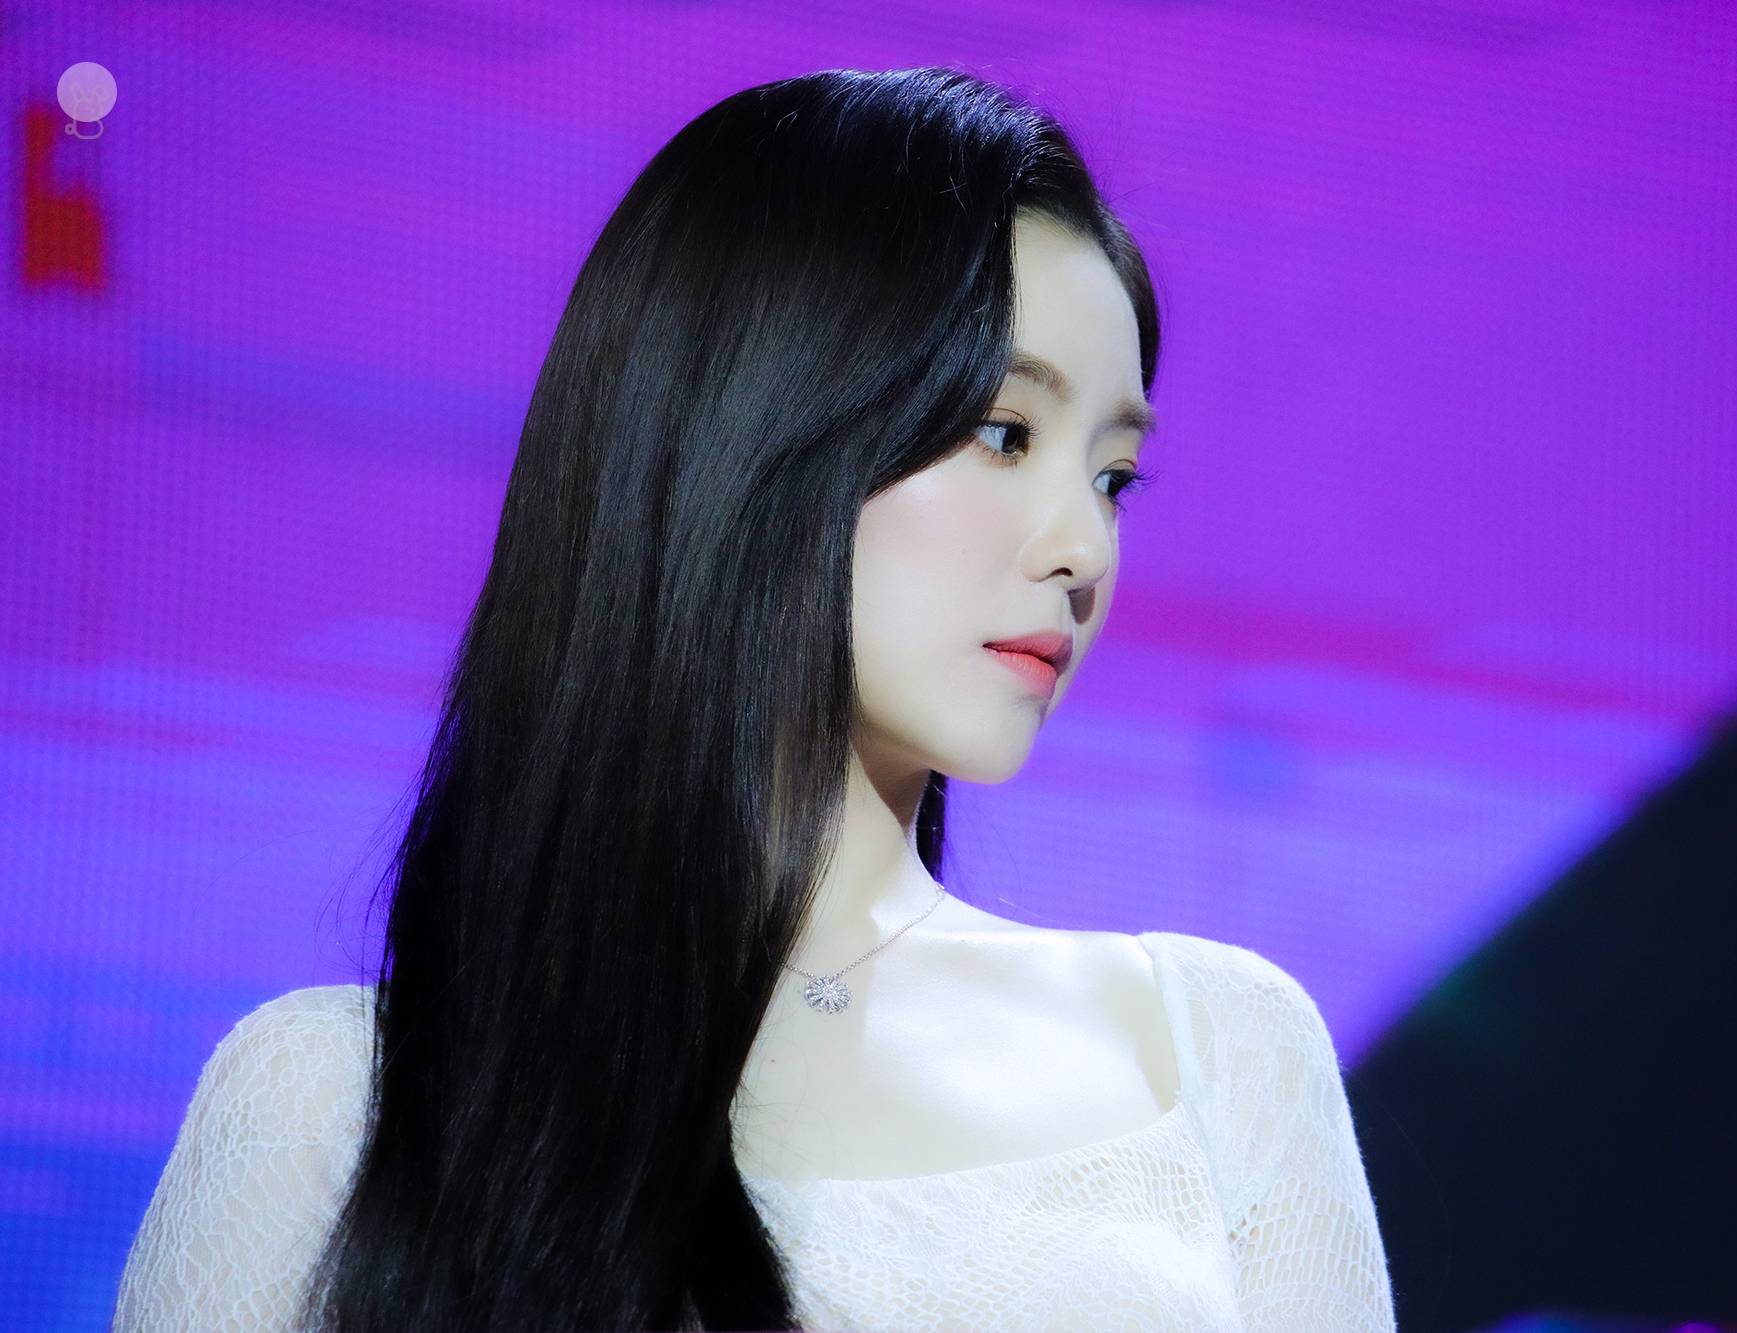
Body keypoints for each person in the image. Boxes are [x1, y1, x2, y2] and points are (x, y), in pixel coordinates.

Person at [110, 65, 1397, 1332]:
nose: (1083, 548)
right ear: (757, 433)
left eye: (1112, 477)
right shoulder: (342, 1105)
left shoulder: (1212, 1054)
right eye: (1003, 434)